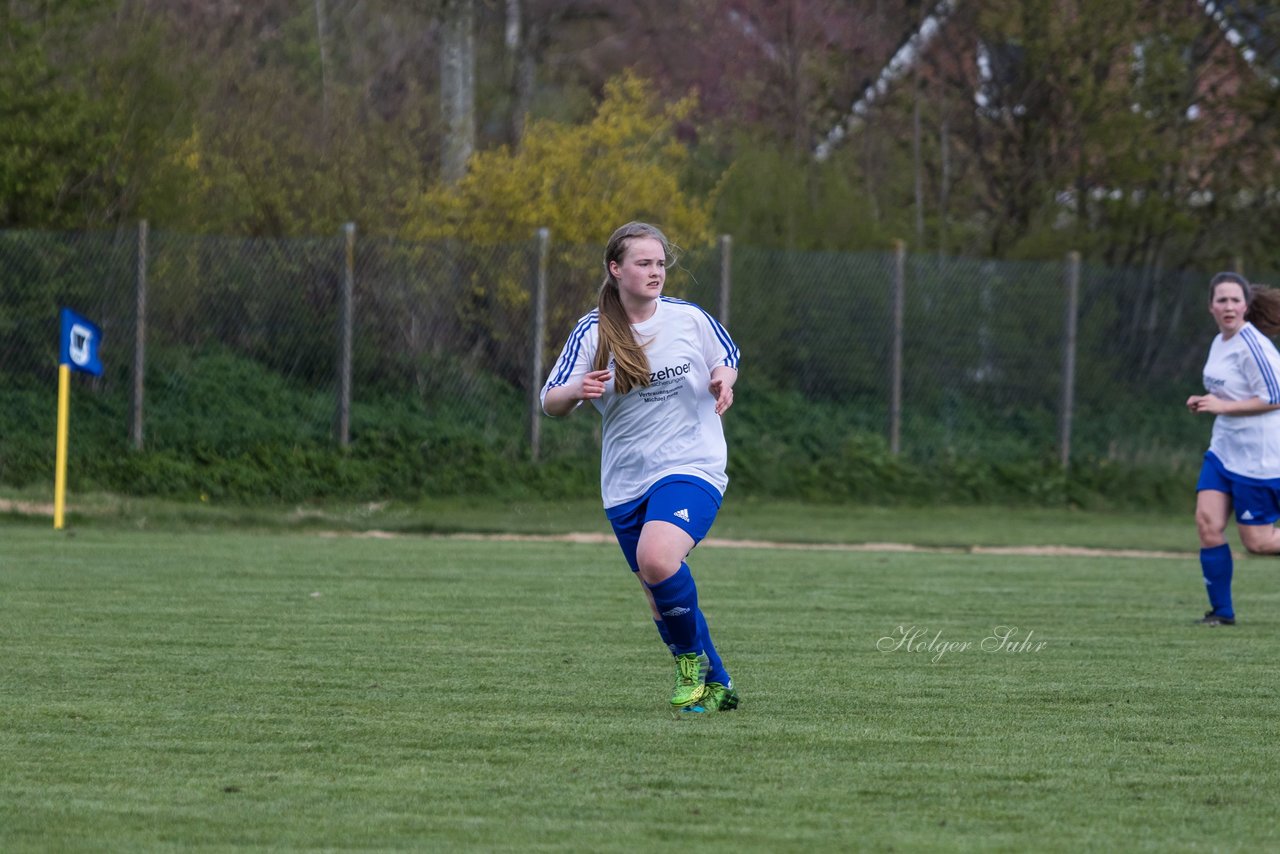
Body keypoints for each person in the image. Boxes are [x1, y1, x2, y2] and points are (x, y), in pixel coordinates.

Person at [541, 221, 741, 713]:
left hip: (693, 464)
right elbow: (550, 400)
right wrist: (576, 391)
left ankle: (689, 663)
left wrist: (722, 379)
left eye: (660, 263)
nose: (656, 272)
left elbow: (727, 355)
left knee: (657, 558)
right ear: (616, 269)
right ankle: (718, 682)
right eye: (644, 263)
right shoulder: (594, 331)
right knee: (656, 592)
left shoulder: (688, 319)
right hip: (627, 480)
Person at [1186, 272, 1280, 625]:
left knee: (1258, 543)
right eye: (1221, 300)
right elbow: (1229, 392)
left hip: (1259, 458)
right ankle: (1221, 613)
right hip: (1225, 450)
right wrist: (1207, 401)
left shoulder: (1253, 345)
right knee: (1207, 524)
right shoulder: (1220, 341)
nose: (1228, 306)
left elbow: (1275, 397)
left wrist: (1223, 407)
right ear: (1211, 306)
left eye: (1235, 300)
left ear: (1246, 305)